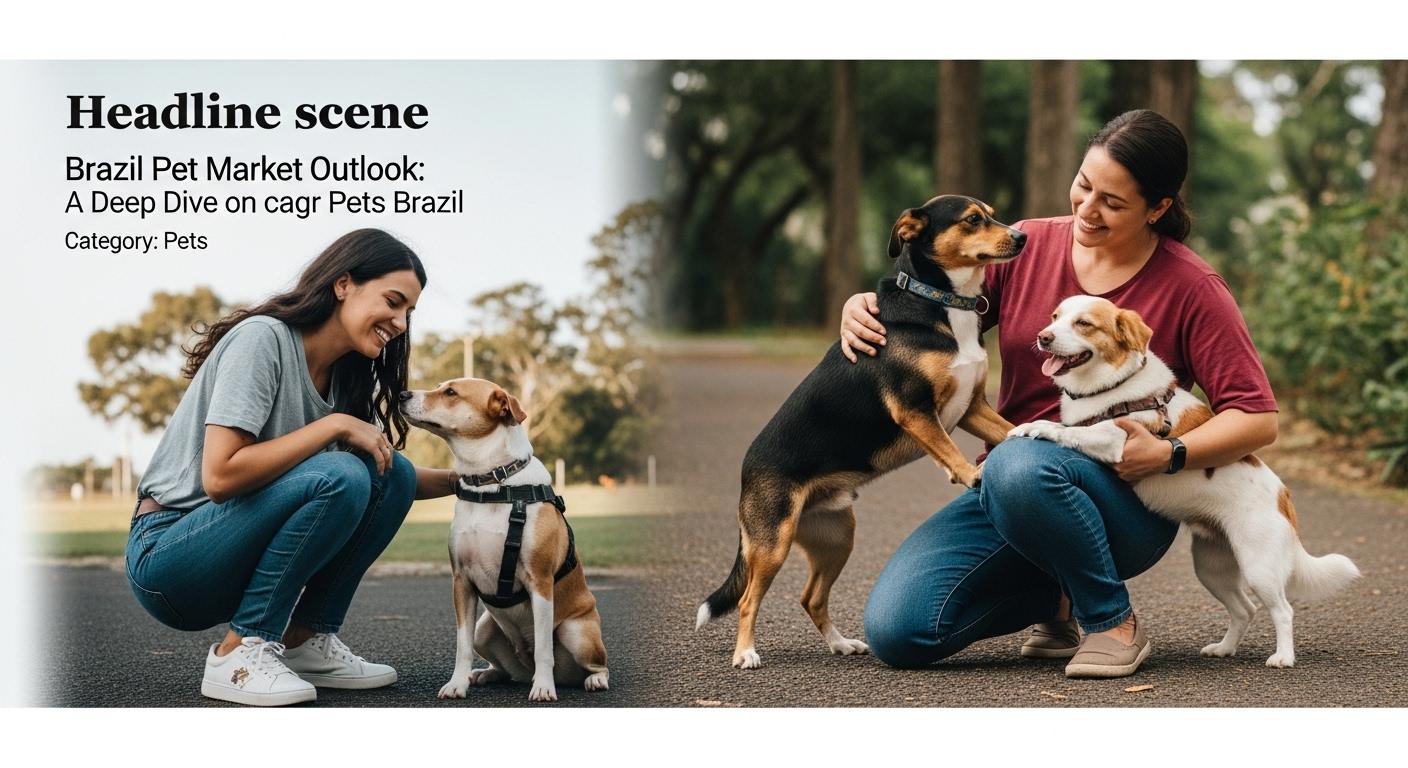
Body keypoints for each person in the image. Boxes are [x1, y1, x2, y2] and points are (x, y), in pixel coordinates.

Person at [840, 110, 1278, 678]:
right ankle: (1056, 597)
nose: (1087, 210)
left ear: (1158, 208)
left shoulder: (1193, 288)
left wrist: (1173, 453)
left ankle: (1111, 618)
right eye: (1083, 184)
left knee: (1022, 461)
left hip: (1126, 497)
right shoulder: (1027, 247)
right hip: (1008, 491)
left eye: (1113, 203)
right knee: (900, 632)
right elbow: (930, 308)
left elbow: (1257, 418)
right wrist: (867, 308)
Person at [126, 228, 460, 705]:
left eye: (409, 311)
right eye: (392, 301)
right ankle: (237, 654)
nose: (401, 323)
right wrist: (334, 427)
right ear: (343, 284)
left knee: (394, 473)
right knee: (342, 473)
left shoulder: (348, 376)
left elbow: (384, 473)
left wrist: (471, 480)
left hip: (236, 554)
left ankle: (306, 642)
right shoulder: (263, 340)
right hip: (171, 559)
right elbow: (220, 477)